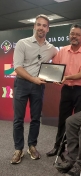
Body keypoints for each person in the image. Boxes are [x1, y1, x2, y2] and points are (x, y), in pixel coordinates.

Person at [11, 14, 58, 164]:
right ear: (34, 26)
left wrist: (57, 77)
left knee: (36, 119)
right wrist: (33, 79)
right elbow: (17, 67)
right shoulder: (22, 43)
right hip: (22, 84)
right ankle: (18, 149)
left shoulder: (52, 49)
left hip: (39, 87)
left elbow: (57, 66)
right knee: (18, 119)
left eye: (44, 25)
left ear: (48, 29)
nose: (41, 28)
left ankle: (32, 146)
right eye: (38, 24)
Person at [46, 24, 81, 156]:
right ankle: (58, 147)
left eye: (77, 34)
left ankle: (76, 150)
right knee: (63, 119)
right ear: (69, 35)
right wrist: (54, 77)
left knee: (78, 121)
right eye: (72, 34)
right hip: (66, 90)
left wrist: (65, 77)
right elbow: (55, 67)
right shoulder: (63, 51)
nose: (74, 36)